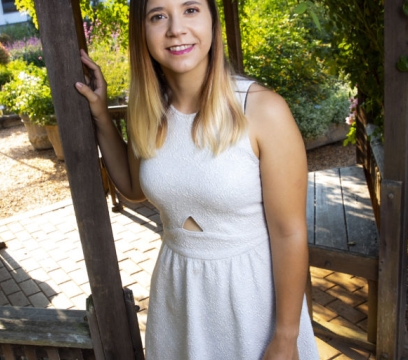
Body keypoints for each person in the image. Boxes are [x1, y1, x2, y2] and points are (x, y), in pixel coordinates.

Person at [75, 0, 319, 358]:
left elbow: (290, 233)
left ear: (212, 21)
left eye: (190, 9)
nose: (176, 28)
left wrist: (285, 336)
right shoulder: (148, 110)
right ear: (141, 31)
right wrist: (100, 115)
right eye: (158, 16)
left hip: (251, 297)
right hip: (179, 294)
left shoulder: (263, 110)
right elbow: (132, 189)